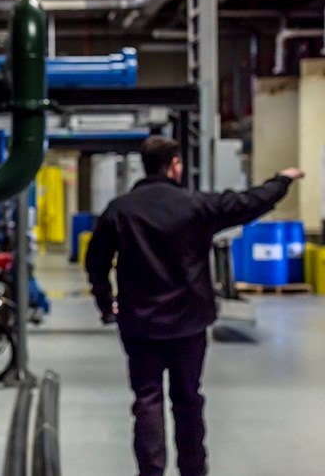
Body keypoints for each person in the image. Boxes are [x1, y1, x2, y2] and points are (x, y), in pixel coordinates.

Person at [84, 135, 304, 476]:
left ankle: (151, 471)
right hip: (189, 322)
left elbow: (96, 260)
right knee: (188, 398)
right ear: (174, 165)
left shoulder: (121, 210)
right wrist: (282, 180)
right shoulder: (195, 206)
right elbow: (248, 203)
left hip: (139, 323)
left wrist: (104, 302)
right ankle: (193, 469)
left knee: (147, 399)